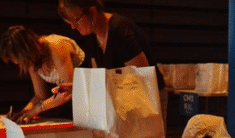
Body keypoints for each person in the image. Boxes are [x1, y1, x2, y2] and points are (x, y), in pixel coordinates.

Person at [57, 0, 168, 128]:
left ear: (92, 11)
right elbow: (98, 78)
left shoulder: (120, 30)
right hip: (122, 101)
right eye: (69, 23)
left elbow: (141, 78)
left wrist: (108, 89)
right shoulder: (92, 36)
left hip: (147, 98)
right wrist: (77, 88)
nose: (73, 27)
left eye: (76, 20)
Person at [0, 25, 84, 124]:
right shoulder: (31, 59)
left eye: (16, 58)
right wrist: (24, 112)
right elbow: (40, 96)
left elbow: (68, 91)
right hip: (70, 103)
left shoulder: (56, 46)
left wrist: (37, 109)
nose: (16, 62)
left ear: (25, 50)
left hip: (88, 95)